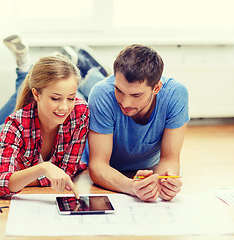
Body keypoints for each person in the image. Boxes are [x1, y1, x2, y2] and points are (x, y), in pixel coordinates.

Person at [0, 35, 92, 199]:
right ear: (36, 95)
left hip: (36, 116)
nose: (64, 107)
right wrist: (43, 168)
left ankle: (27, 68)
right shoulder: (15, 124)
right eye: (55, 98)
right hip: (6, 132)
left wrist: (18, 177)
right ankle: (24, 68)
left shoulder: (80, 111)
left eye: (71, 98)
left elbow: (67, 171)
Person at [81, 44, 189, 202]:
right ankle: (89, 69)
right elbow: (98, 167)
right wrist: (131, 186)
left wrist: (163, 182)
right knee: (84, 90)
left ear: (156, 88)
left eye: (136, 95)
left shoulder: (176, 94)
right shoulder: (102, 94)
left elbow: (170, 159)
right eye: (119, 90)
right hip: (105, 161)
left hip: (143, 166)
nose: (125, 103)